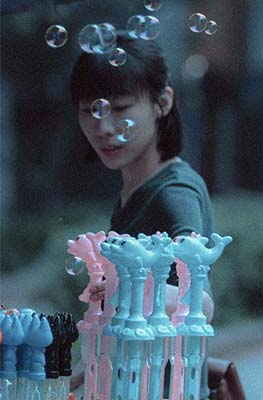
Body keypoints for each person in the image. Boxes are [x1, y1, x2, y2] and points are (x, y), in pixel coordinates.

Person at [69, 34, 215, 400]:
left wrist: (124, 288)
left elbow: (200, 302)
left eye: (120, 108)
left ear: (162, 103)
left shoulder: (174, 193)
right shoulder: (135, 189)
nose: (103, 127)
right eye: (90, 110)